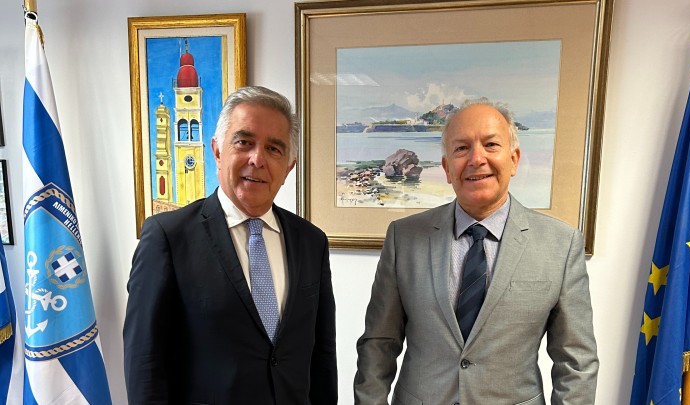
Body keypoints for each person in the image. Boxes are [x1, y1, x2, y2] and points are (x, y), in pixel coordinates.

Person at [354, 99, 598, 404]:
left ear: (514, 160)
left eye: (491, 144)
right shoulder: (404, 238)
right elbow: (378, 345)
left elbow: (576, 362)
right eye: (461, 148)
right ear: (447, 168)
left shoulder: (560, 244)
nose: (476, 159)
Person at [124, 86, 338, 404]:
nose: (257, 159)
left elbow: (322, 357)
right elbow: (145, 365)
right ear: (217, 151)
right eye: (244, 142)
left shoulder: (311, 241)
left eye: (274, 149)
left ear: (288, 168)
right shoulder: (167, 237)